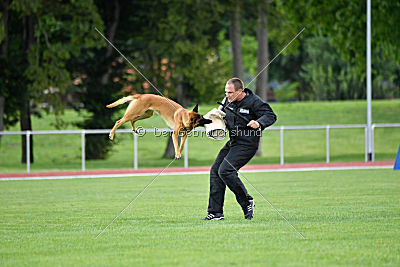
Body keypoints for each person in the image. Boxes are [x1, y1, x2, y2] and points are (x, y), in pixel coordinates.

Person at [203, 77, 277, 220]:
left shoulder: (254, 102)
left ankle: (246, 201)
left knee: (226, 170)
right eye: (226, 92)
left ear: (240, 91)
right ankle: (215, 213)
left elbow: (270, 115)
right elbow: (218, 115)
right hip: (234, 141)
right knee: (215, 171)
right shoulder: (226, 102)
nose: (227, 95)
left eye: (230, 92)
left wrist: (259, 122)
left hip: (247, 144)